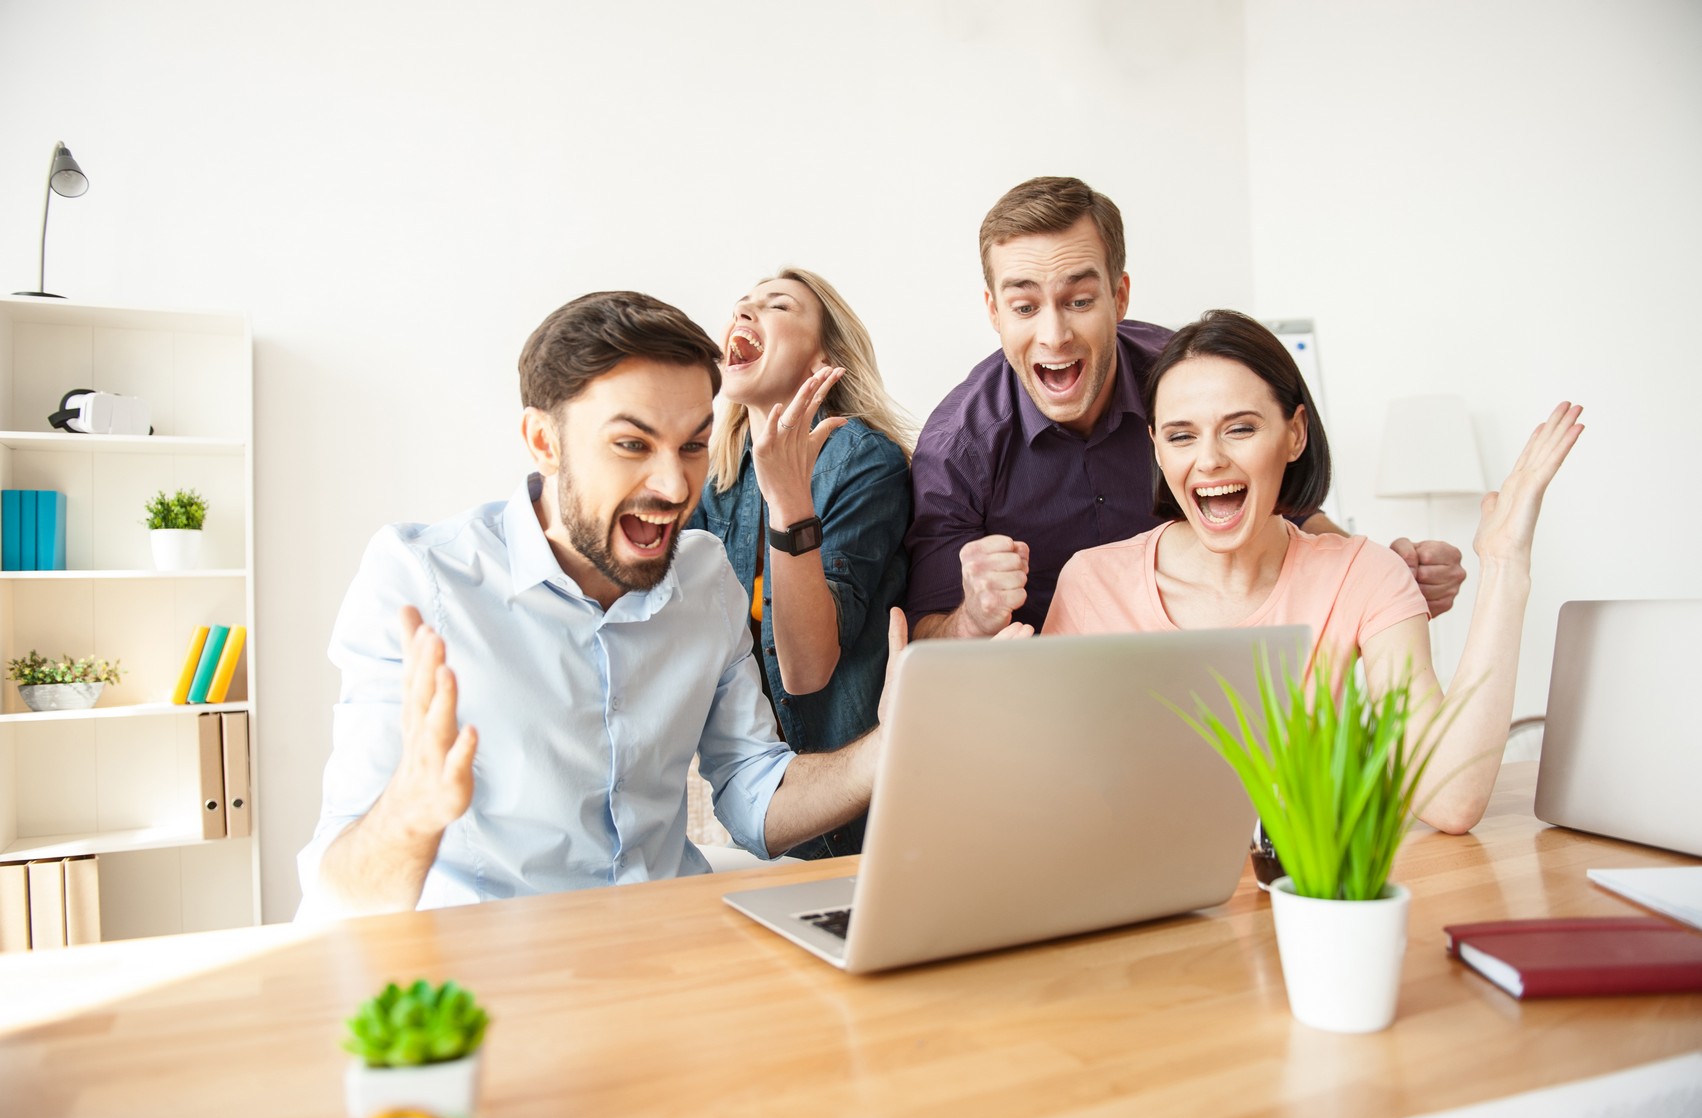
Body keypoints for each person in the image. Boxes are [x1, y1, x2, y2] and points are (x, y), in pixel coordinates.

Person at [297, 291, 892, 917]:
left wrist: (886, 750)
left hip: (665, 947)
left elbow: (751, 788)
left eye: (693, 445)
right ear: (542, 441)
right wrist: (409, 816)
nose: (672, 486)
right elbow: (339, 891)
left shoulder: (705, 575)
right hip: (494, 966)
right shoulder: (421, 580)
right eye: (632, 445)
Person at [1044, 309, 1583, 834]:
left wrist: (1504, 564)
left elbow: (1450, 800)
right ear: (1157, 448)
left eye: (1240, 429)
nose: (1208, 460)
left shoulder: (1363, 575)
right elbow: (1052, 801)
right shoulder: (1092, 584)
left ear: (1295, 434)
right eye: (1182, 435)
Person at [904, 176, 1466, 639]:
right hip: (1040, 702)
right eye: (1025, 306)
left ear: (1120, 296)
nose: (1054, 335)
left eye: (1079, 301)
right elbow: (923, 642)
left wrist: (1384, 580)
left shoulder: (1186, 379)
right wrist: (971, 620)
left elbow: (1285, 512)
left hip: (1209, 670)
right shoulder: (959, 446)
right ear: (993, 311)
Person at [688, 268, 912, 858]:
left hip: (855, 816)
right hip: (770, 806)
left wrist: (791, 502)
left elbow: (806, 669)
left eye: (777, 305)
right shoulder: (718, 482)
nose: (745, 313)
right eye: (740, 306)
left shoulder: (863, 460)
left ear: (823, 361)